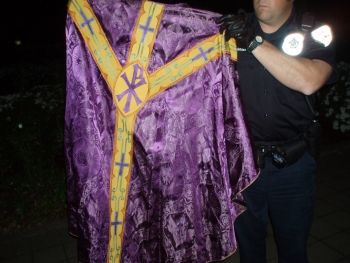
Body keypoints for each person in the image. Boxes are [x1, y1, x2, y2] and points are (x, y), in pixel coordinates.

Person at [216, 0, 336, 262]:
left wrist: (254, 42)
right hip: (244, 165)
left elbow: (310, 81)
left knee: (293, 248)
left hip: (293, 166)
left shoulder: (313, 30)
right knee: (249, 250)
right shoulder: (232, 28)